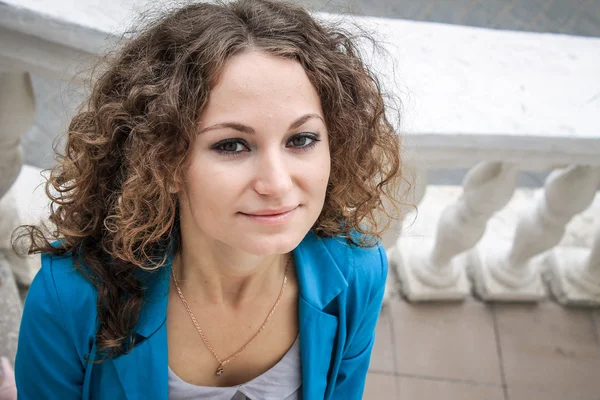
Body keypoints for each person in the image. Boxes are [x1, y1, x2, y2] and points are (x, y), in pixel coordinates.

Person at [13, 0, 404, 398]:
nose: (277, 183)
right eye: (232, 145)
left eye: (301, 139)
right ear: (162, 161)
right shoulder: (69, 297)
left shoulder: (359, 273)